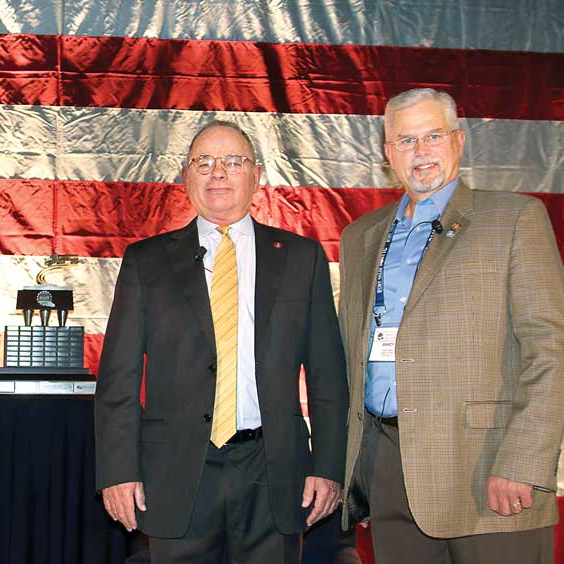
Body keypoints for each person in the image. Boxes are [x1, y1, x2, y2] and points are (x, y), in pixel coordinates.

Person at [95, 120, 348, 563]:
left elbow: (327, 376)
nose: (218, 174)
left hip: (275, 472)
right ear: (186, 176)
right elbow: (118, 378)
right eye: (204, 163)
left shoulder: (302, 258)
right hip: (174, 475)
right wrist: (117, 471)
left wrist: (328, 467)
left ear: (256, 174)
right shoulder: (146, 261)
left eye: (233, 162)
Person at [339, 87, 564, 564]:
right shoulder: (360, 235)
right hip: (388, 472)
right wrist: (358, 471)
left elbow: (552, 349)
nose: (420, 152)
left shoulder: (516, 218)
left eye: (432, 136)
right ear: (387, 154)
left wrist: (522, 462)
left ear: (459, 140)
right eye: (405, 140)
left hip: (490, 474)